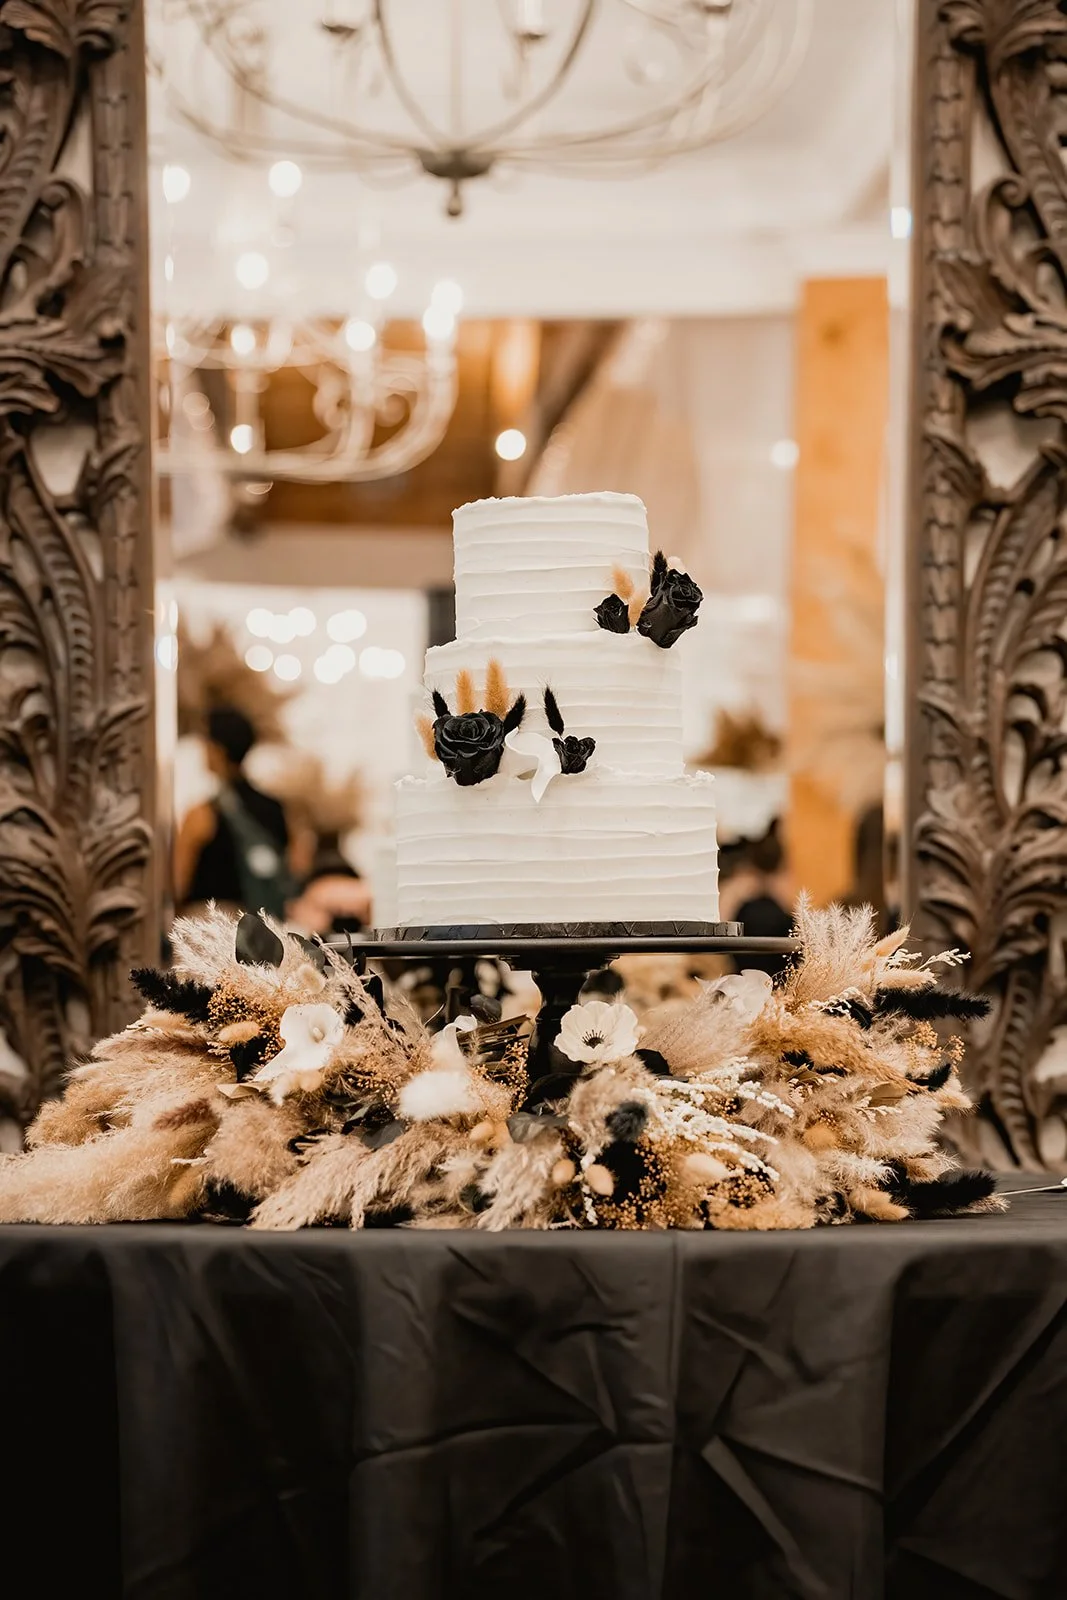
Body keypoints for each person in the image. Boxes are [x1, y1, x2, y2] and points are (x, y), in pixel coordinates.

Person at [174, 707, 305, 918]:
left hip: (210, 925)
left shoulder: (203, 813)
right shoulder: (276, 809)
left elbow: (178, 882)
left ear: (217, 750)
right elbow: (295, 868)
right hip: (262, 926)